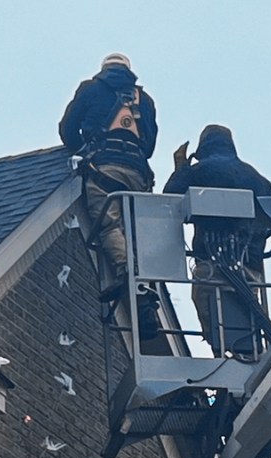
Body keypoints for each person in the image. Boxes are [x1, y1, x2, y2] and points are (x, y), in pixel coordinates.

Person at [59, 53, 160, 338]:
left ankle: (127, 272)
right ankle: (145, 295)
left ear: (103, 69)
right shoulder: (145, 100)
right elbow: (150, 145)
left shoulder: (90, 88)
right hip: (137, 173)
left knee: (109, 223)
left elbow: (67, 128)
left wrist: (82, 147)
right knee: (136, 233)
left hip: (104, 167)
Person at [163, 125, 271, 358]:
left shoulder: (198, 171)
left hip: (210, 266)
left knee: (208, 305)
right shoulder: (256, 177)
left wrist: (181, 168)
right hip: (249, 269)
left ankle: (220, 351)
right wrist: (252, 240)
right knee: (246, 315)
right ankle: (251, 351)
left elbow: (169, 199)